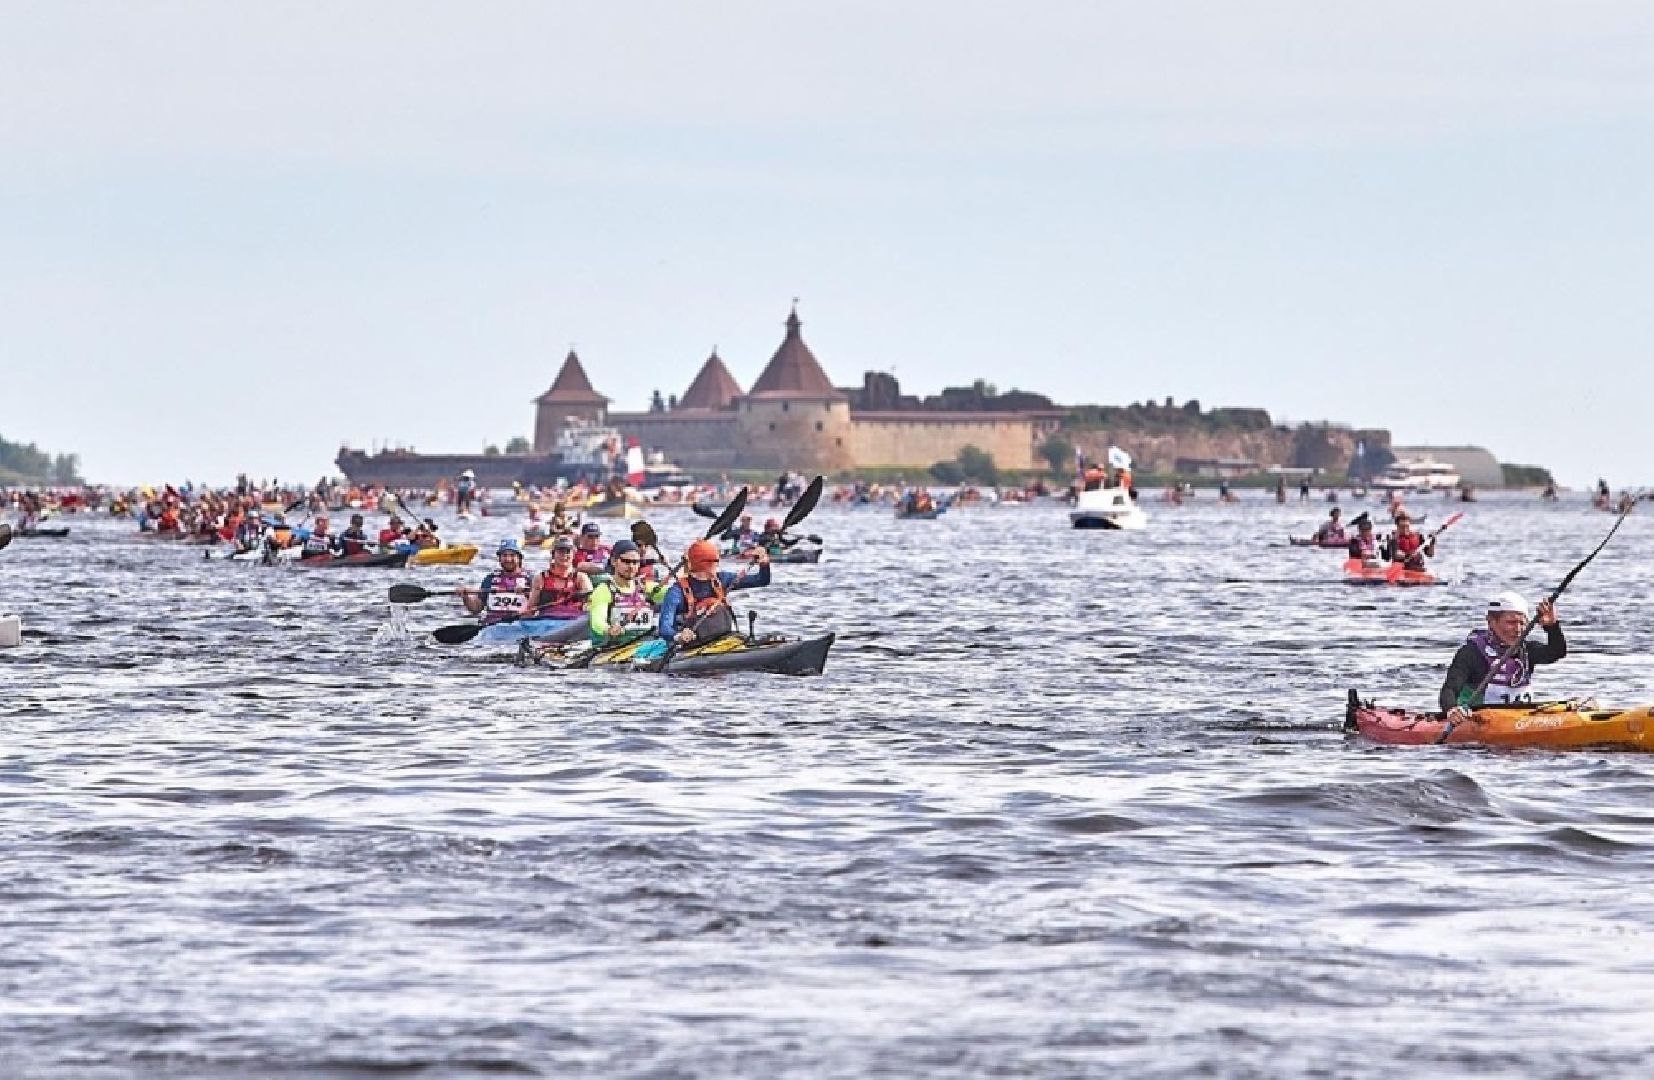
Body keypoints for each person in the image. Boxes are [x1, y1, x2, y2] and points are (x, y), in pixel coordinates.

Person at [1441, 592, 1565, 720]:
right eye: (1511, 622)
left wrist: (1552, 626)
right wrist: (1451, 709)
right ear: (1491, 622)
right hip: (1478, 722)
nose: (1518, 629)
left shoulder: (1527, 650)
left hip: (1518, 720)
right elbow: (1449, 689)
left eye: (1522, 623)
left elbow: (1557, 652)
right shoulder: (1472, 652)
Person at [657, 538, 771, 652]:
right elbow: (664, 628)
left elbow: (761, 580)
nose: (715, 566)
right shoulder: (676, 592)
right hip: (692, 647)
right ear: (700, 564)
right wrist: (678, 636)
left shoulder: (722, 579)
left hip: (723, 640)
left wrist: (764, 563)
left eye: (716, 562)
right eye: (712, 563)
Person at [586, 539, 667, 648]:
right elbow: (597, 621)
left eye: (635, 562)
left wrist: (690, 567)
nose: (631, 566)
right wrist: (608, 629)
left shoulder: (646, 588)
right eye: (626, 561)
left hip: (643, 645)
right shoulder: (603, 591)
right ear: (614, 561)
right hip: (613, 647)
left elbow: (676, 592)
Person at [458, 540, 534, 625]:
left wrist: (528, 594)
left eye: (512, 555)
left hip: (520, 625)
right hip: (493, 625)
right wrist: (466, 597)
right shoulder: (490, 579)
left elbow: (539, 607)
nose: (508, 559)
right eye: (504, 556)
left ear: (519, 558)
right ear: (499, 558)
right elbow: (476, 609)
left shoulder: (530, 579)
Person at [525, 536, 594, 620]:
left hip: (573, 622)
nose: (564, 555)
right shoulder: (540, 578)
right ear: (553, 554)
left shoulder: (581, 578)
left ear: (574, 554)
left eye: (568, 551)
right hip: (547, 621)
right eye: (560, 552)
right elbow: (531, 608)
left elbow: (591, 604)